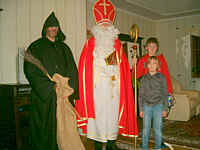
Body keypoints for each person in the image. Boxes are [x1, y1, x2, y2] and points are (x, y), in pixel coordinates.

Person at [75, 0, 138, 150]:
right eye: (102, 24)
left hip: (112, 88)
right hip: (96, 88)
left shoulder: (116, 45)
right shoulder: (90, 44)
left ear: (111, 27)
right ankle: (97, 143)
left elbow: (119, 67)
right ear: (97, 26)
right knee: (98, 115)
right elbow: (85, 68)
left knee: (112, 115)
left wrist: (130, 64)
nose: (105, 27)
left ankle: (111, 143)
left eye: (107, 24)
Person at [24, 12, 79, 150]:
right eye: (50, 26)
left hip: (63, 96)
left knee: (65, 128)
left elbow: (72, 69)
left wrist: (69, 88)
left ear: (58, 29)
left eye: (55, 26)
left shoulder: (65, 48)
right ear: (45, 29)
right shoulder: (35, 47)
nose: (53, 28)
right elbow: (30, 70)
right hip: (45, 98)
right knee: (44, 131)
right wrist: (50, 87)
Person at [139, 56, 169, 150]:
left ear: (157, 66)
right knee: (145, 130)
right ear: (147, 65)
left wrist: (165, 108)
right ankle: (144, 147)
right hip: (146, 106)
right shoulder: (143, 79)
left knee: (158, 129)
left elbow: (165, 93)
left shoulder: (162, 77)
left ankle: (157, 147)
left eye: (154, 63)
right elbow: (141, 95)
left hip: (158, 106)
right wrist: (141, 109)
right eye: (150, 63)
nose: (152, 65)